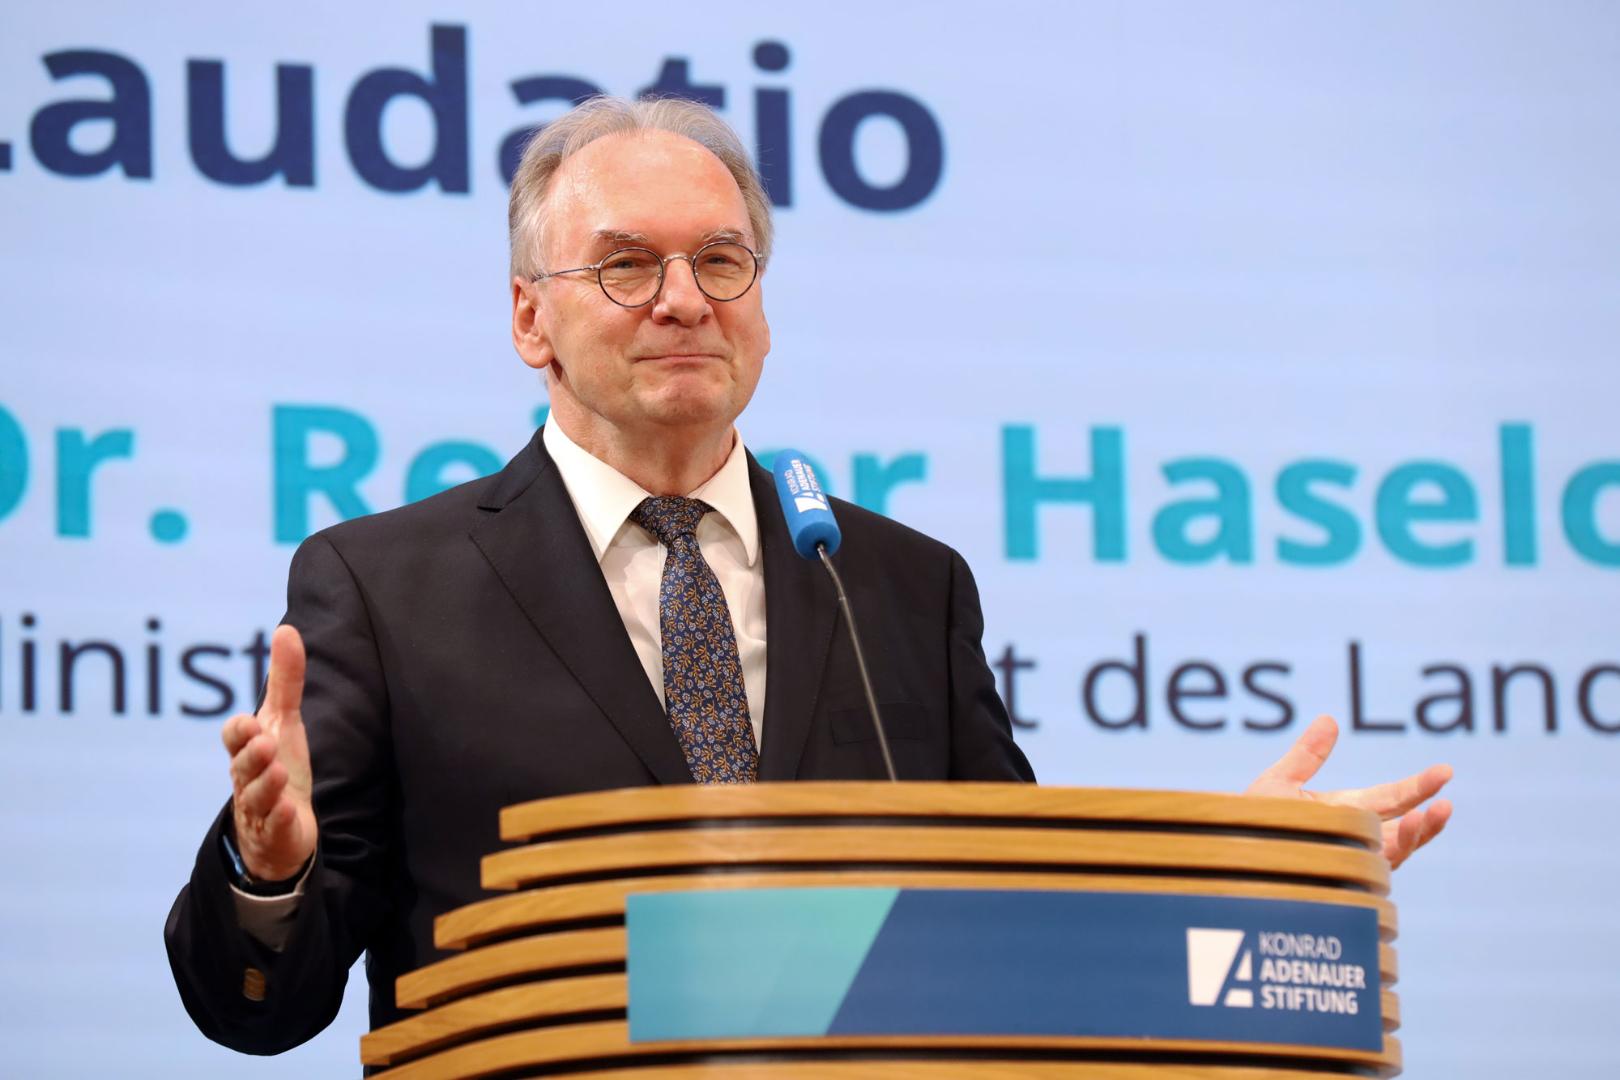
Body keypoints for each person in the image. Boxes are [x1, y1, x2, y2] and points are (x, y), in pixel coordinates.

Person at [164, 96, 1452, 1055]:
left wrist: (1231, 870)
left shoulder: (900, 584)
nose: (683, 300)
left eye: (721, 261)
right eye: (626, 264)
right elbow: (259, 1009)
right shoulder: (386, 586)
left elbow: (1012, 909)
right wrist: (270, 873)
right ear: (528, 318)